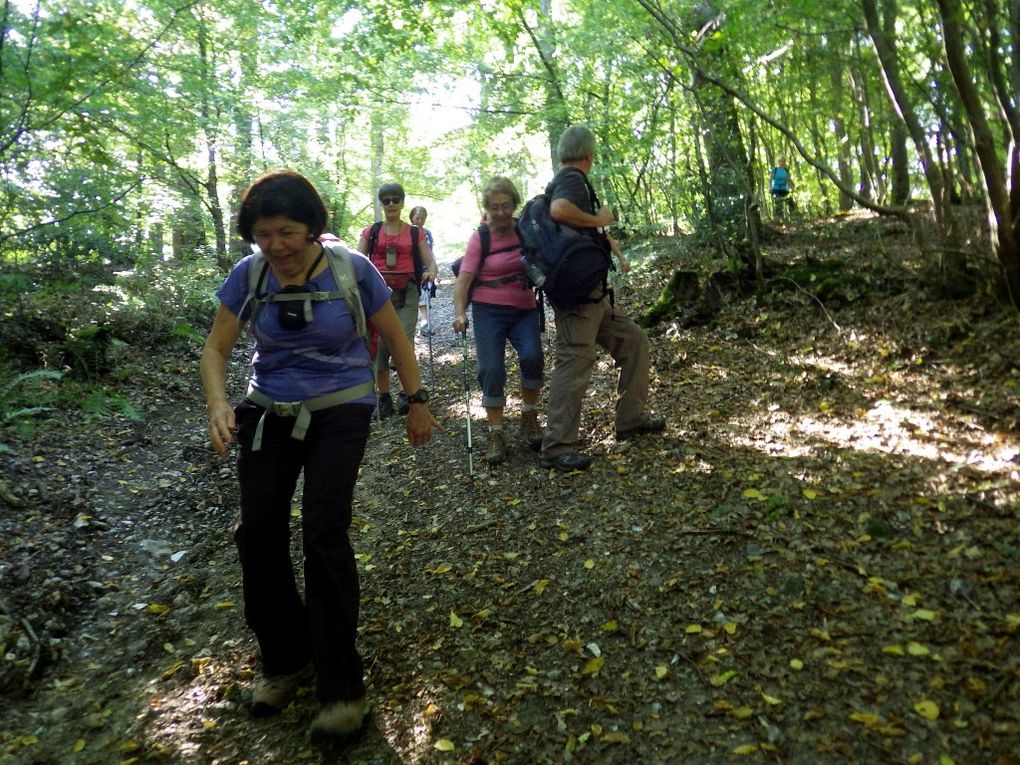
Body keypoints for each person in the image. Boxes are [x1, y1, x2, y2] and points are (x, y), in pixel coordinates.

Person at [200, 170, 439, 737]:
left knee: (323, 530)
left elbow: (394, 336)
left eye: (287, 232)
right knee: (256, 533)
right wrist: (217, 403)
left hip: (343, 406)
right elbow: (216, 347)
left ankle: (340, 686)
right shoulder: (249, 275)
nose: (277, 246)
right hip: (269, 407)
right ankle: (285, 659)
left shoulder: (351, 269)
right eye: (264, 235)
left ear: (311, 226)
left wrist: (416, 400)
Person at [539, 125, 664, 472]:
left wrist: (614, 249)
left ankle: (631, 418)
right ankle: (557, 447)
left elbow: (585, 232)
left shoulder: (569, 181)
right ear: (589, 156)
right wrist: (599, 218)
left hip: (593, 296)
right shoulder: (571, 181)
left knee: (634, 341)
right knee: (575, 363)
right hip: (578, 300)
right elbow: (561, 211)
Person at [452, 177, 544, 465]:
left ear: (514, 204)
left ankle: (529, 417)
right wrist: (459, 312)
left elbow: (545, 259)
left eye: (505, 206)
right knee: (491, 368)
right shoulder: (481, 237)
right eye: (495, 207)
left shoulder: (526, 231)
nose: (501, 212)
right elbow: (464, 279)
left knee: (532, 357)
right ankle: (496, 432)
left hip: (523, 308)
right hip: (487, 310)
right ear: (487, 208)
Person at [357, 184, 438, 418]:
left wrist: (431, 273)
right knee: (380, 343)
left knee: (403, 339)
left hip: (408, 292)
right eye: (386, 200)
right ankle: (383, 396)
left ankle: (406, 393)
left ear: (402, 202)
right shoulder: (371, 232)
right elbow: (357, 262)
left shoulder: (415, 233)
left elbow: (430, 262)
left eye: (395, 200)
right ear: (381, 204)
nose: (391, 204)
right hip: (378, 295)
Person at [409, 205, 438, 336]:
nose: (420, 220)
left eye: (422, 218)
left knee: (425, 296)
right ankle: (418, 324)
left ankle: (424, 323)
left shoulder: (428, 233)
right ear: (412, 218)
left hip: (426, 270)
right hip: (412, 270)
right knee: (416, 298)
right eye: (417, 218)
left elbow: (431, 252)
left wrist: (434, 269)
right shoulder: (407, 232)